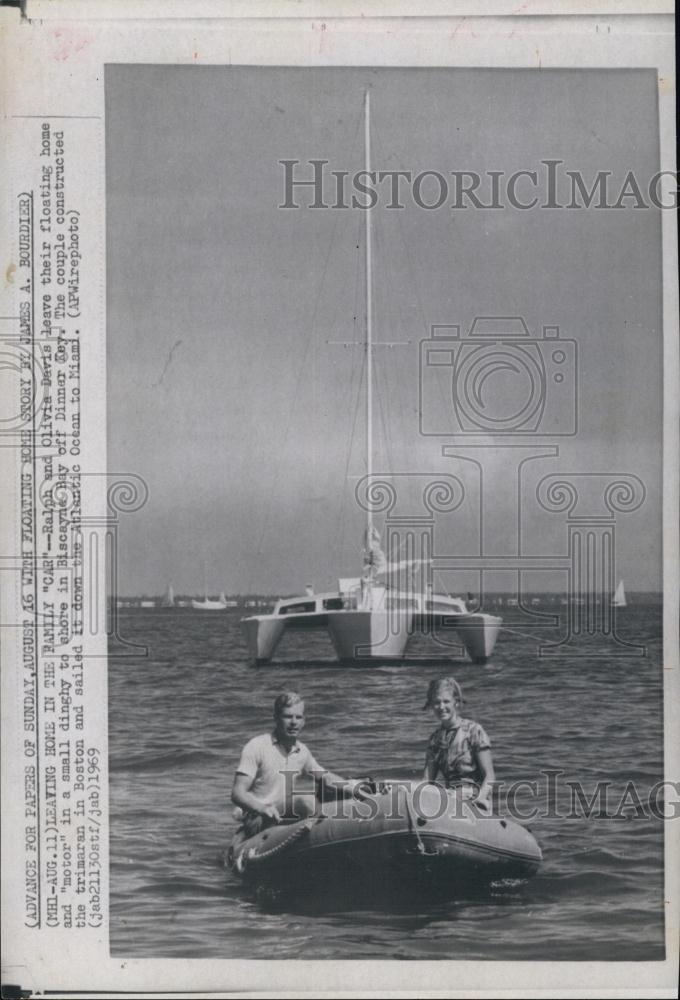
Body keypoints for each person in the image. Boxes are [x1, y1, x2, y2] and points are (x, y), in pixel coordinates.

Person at [232, 691, 367, 836]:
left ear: (304, 721)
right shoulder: (256, 746)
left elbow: (325, 778)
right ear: (276, 718)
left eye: (298, 717)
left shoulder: (302, 751)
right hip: (259, 817)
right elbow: (237, 793)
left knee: (337, 796)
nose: (293, 722)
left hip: (285, 812)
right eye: (288, 716)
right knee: (307, 801)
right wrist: (261, 808)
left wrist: (356, 788)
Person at [422, 676, 495, 810]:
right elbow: (427, 782)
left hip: (475, 799)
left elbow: (489, 776)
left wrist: (481, 800)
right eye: (436, 702)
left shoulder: (474, 731)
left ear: (456, 702)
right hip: (451, 800)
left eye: (446, 701)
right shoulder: (435, 740)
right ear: (431, 704)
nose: (441, 707)